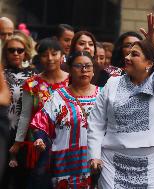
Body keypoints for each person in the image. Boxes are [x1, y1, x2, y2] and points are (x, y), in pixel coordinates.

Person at [87, 13, 154, 188]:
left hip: (148, 162)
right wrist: (94, 155)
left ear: (149, 62)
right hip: (111, 160)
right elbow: (96, 122)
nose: (127, 57)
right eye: (128, 53)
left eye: (134, 54)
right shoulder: (113, 83)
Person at [31, 51, 102, 188]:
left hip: (96, 164)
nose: (84, 70)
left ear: (93, 70)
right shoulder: (58, 96)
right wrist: (39, 138)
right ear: (69, 69)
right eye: (78, 66)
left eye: (88, 66)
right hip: (64, 164)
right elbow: (41, 121)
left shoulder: (103, 94)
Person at [9, 38, 69, 189]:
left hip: (67, 141)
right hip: (38, 142)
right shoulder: (32, 83)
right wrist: (18, 142)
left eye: (54, 54)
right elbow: (25, 115)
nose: (50, 59)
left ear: (62, 55)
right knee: (38, 179)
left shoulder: (72, 80)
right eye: (44, 55)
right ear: (39, 57)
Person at [1, 34, 37, 189]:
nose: (16, 53)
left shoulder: (34, 76)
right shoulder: (0, 75)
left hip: (25, 135)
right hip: (2, 132)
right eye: (11, 50)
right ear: (5, 52)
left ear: (26, 52)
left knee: (23, 178)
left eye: (19, 50)